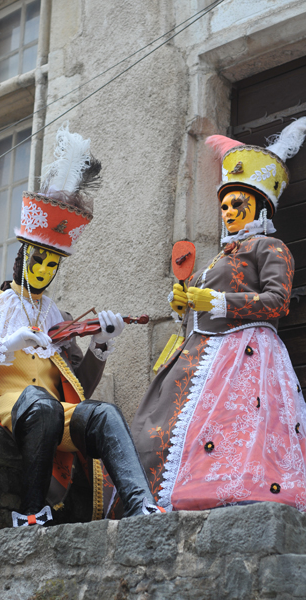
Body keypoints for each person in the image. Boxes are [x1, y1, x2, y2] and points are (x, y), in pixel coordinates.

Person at [0, 123, 161, 526]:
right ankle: (33, 509)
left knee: (101, 413)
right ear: (22, 256)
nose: (42, 269)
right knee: (42, 407)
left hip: (52, 413)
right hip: (7, 410)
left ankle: (141, 505)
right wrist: (2, 346)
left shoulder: (60, 320)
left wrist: (100, 347)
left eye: (51, 263)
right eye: (37, 259)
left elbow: (77, 389)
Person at [131, 118, 306, 513]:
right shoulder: (216, 260)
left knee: (236, 431)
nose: (227, 212)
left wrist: (220, 303)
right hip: (200, 354)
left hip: (247, 355)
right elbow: (205, 304)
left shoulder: (270, 247)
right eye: (224, 205)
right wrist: (185, 307)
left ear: (258, 206)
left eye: (237, 205)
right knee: (165, 428)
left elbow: (278, 300)